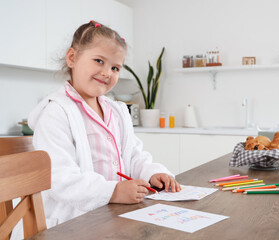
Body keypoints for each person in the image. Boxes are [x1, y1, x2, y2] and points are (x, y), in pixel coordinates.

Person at [25, 20, 181, 232]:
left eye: (115, 67)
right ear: (72, 58)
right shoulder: (56, 113)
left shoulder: (117, 111)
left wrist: (152, 173)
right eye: (99, 61)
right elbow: (60, 178)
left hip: (113, 215)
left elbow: (133, 155)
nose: (107, 73)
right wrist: (113, 191)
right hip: (70, 224)